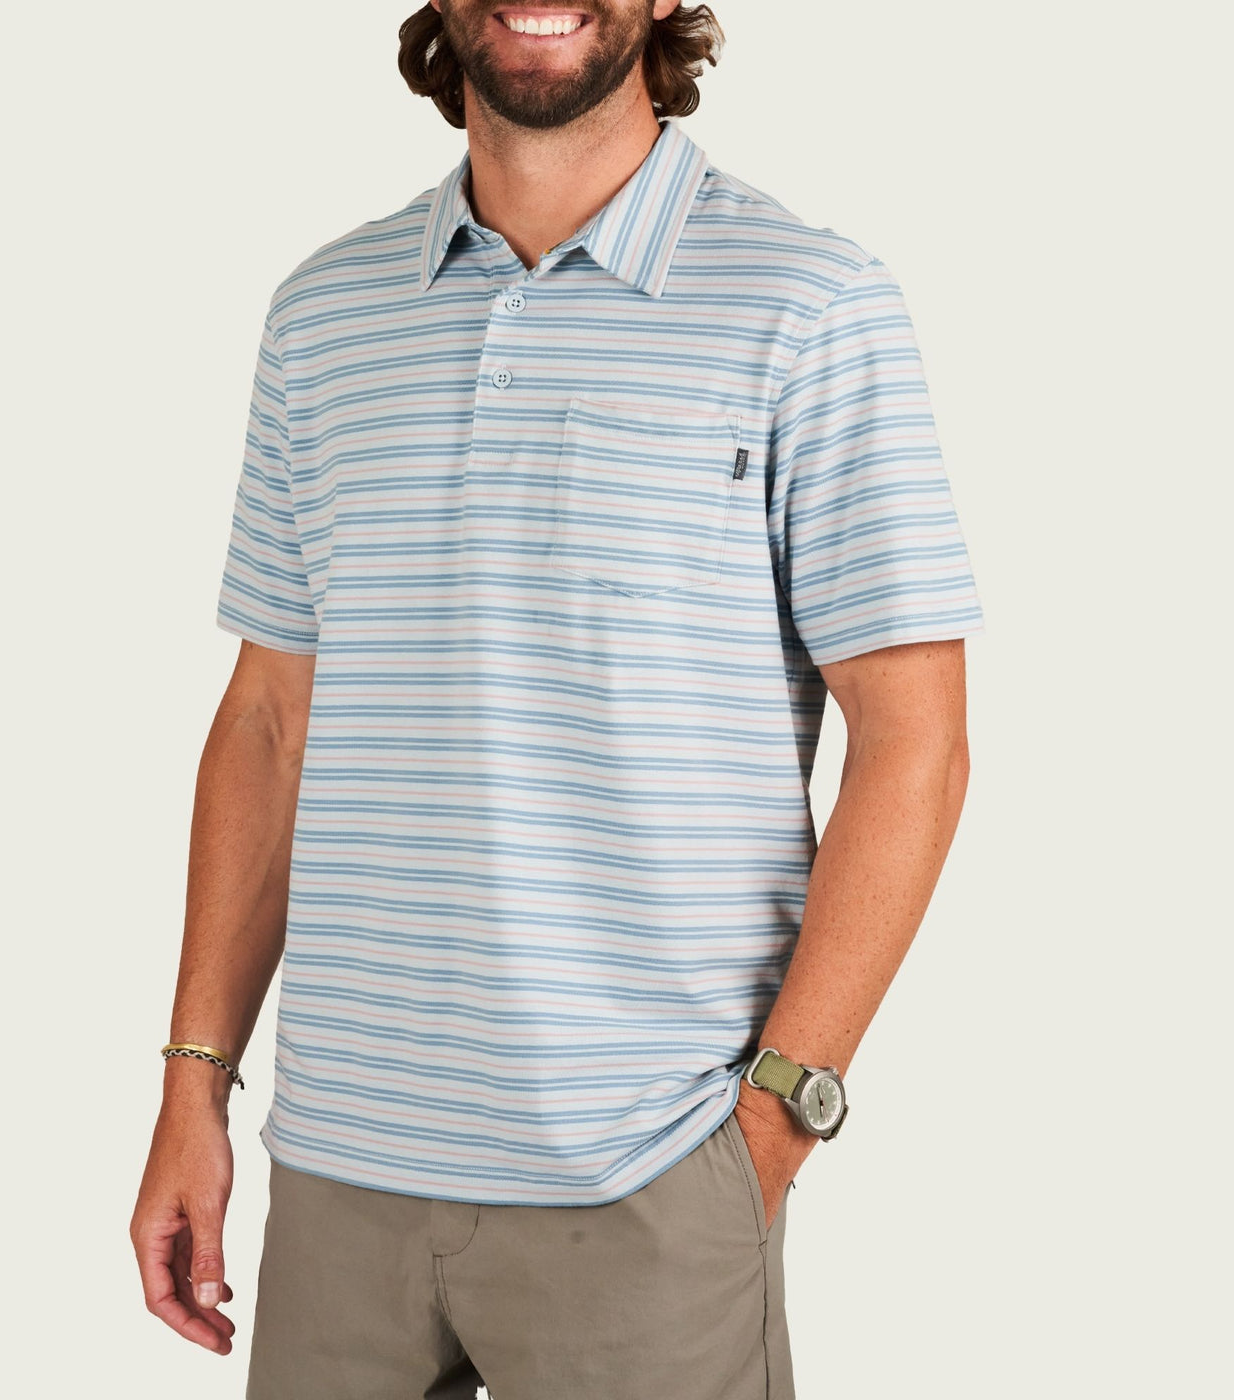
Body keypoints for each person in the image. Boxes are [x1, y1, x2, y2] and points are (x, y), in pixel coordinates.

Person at [129, 3, 985, 1396]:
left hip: (647, 1176)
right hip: (338, 1172)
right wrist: (192, 1083)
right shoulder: (324, 314)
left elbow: (917, 741)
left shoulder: (809, 302)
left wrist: (775, 1121)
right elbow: (272, 720)